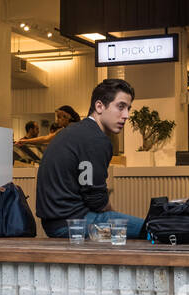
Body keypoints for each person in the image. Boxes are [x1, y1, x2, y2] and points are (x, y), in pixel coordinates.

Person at [35, 79, 145, 238]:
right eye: (121, 107)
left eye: (128, 109)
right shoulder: (96, 139)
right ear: (99, 106)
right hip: (73, 224)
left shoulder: (75, 132)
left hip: (54, 223)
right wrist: (113, 215)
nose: (126, 115)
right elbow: (96, 200)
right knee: (152, 229)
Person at [16, 104, 81, 148]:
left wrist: (25, 141)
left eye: (59, 117)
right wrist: (24, 141)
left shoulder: (71, 129)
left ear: (67, 117)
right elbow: (46, 138)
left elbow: (46, 139)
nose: (57, 120)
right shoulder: (64, 130)